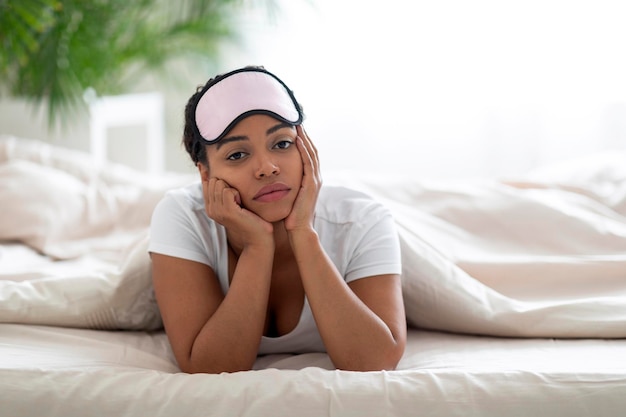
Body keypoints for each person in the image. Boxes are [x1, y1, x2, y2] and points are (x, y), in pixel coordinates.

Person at [148, 66, 406, 374]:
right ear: (205, 173)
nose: (267, 167)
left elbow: (376, 362)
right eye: (236, 155)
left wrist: (302, 233)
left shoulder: (362, 220)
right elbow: (209, 367)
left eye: (282, 143)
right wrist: (258, 247)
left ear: (306, 148)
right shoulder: (182, 216)